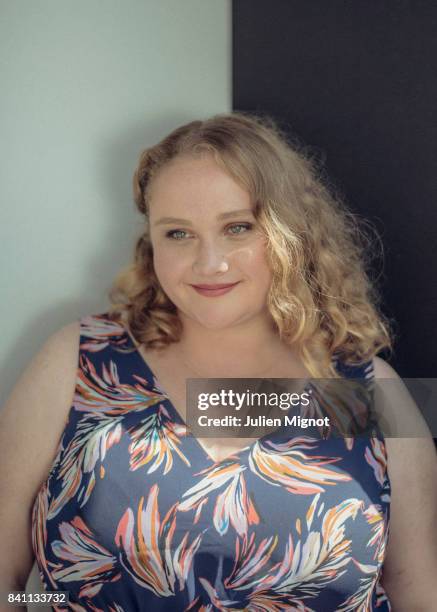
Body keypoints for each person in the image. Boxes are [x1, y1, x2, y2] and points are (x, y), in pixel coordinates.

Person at [1, 112, 436, 611]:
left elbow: (417, 591)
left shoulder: (369, 394)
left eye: (237, 227)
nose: (209, 263)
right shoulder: (81, 362)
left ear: (289, 233)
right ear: (151, 241)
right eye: (178, 234)